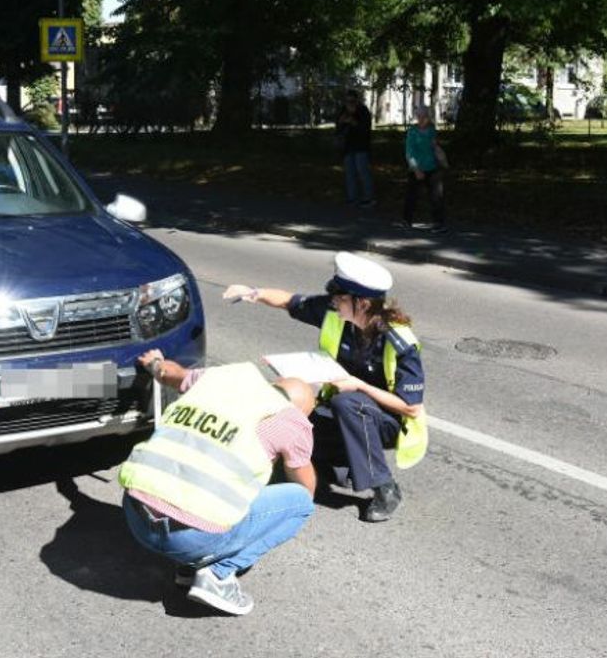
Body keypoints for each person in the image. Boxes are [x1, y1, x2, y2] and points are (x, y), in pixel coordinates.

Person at [222, 251, 428, 523]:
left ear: (363, 303)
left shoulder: (398, 341)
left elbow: (411, 408)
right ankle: (338, 464)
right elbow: (290, 301)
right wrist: (254, 292)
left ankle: (385, 488)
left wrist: (359, 385)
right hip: (343, 412)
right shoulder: (335, 314)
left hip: (387, 421)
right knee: (293, 418)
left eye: (340, 297)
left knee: (349, 402)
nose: (333, 301)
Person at [118, 351, 318, 616]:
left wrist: (154, 363)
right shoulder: (290, 420)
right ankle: (217, 574)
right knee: (300, 504)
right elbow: (305, 489)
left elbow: (170, 374)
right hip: (190, 539)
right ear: (301, 411)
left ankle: (190, 566)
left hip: (136, 518)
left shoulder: (219, 379)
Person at [403, 105, 447, 233]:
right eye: (419, 116)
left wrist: (439, 154)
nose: (421, 119)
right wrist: (416, 169)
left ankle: (439, 222)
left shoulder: (432, 130)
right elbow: (409, 152)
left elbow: (435, 147)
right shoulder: (412, 131)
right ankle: (406, 220)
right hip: (416, 167)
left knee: (436, 196)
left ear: (429, 117)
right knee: (411, 195)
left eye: (424, 116)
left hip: (432, 167)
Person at [336, 89, 375, 208]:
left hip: (361, 146)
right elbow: (338, 128)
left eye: (352, 101)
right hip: (348, 146)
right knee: (350, 173)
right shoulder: (343, 111)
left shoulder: (363, 111)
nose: (349, 104)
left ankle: (368, 198)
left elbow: (365, 130)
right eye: (347, 101)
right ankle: (352, 198)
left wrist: (354, 122)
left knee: (363, 171)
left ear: (357, 100)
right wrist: (341, 122)